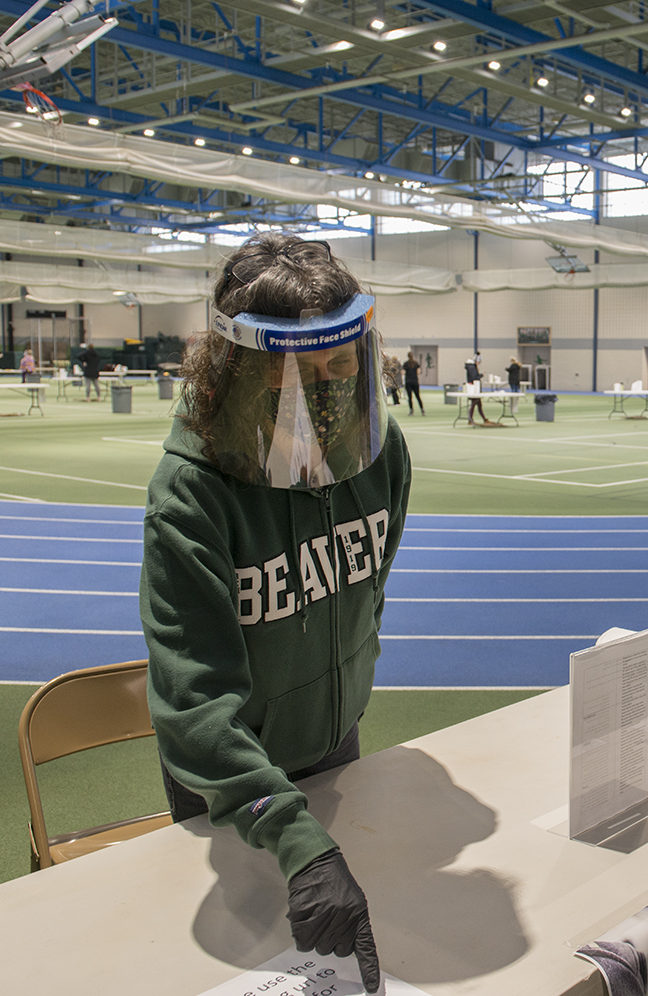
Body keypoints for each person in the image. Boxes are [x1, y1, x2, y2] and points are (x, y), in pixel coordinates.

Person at [140, 233, 410, 993]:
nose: (323, 390)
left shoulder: (385, 460)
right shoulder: (190, 496)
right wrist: (300, 844)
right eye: (295, 372)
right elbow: (194, 709)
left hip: (336, 746)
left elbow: (367, 596)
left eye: (340, 366)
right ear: (237, 371)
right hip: (228, 785)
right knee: (255, 962)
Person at [464, 352, 488, 425]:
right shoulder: (472, 367)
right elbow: (474, 377)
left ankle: (483, 418)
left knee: (478, 405)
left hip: (474, 388)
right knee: (475, 404)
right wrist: (481, 375)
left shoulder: (471, 367)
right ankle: (471, 419)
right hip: (474, 389)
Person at [402, 350, 424, 415]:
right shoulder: (416, 364)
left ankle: (411, 410)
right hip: (415, 381)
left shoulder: (406, 364)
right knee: (418, 396)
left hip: (408, 381)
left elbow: (403, 372)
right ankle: (422, 410)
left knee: (410, 397)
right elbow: (418, 372)